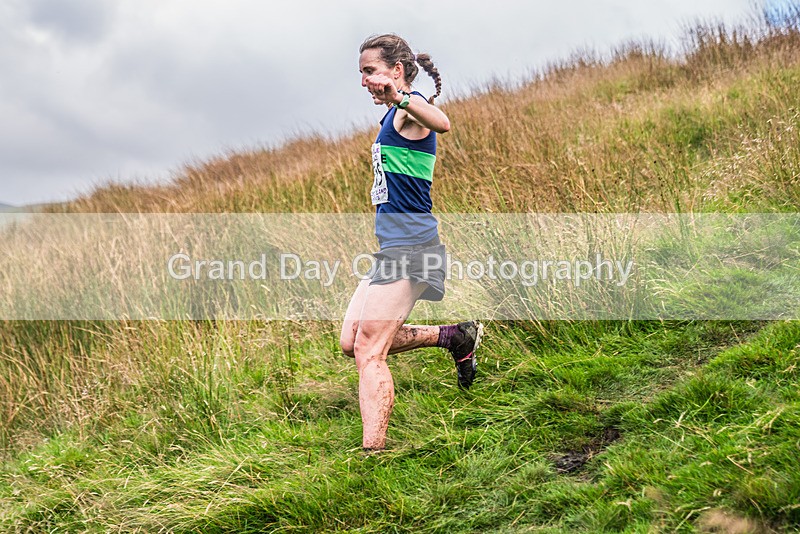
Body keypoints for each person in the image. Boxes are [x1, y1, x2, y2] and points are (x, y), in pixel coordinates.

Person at [339, 34, 484, 452]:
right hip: (391, 249)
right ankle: (454, 337)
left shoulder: (408, 111)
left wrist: (401, 97)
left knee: (369, 350)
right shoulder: (391, 117)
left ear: (396, 70)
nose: (365, 81)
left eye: (370, 71)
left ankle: (374, 454)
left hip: (414, 248)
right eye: (362, 73)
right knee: (351, 341)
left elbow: (442, 121)